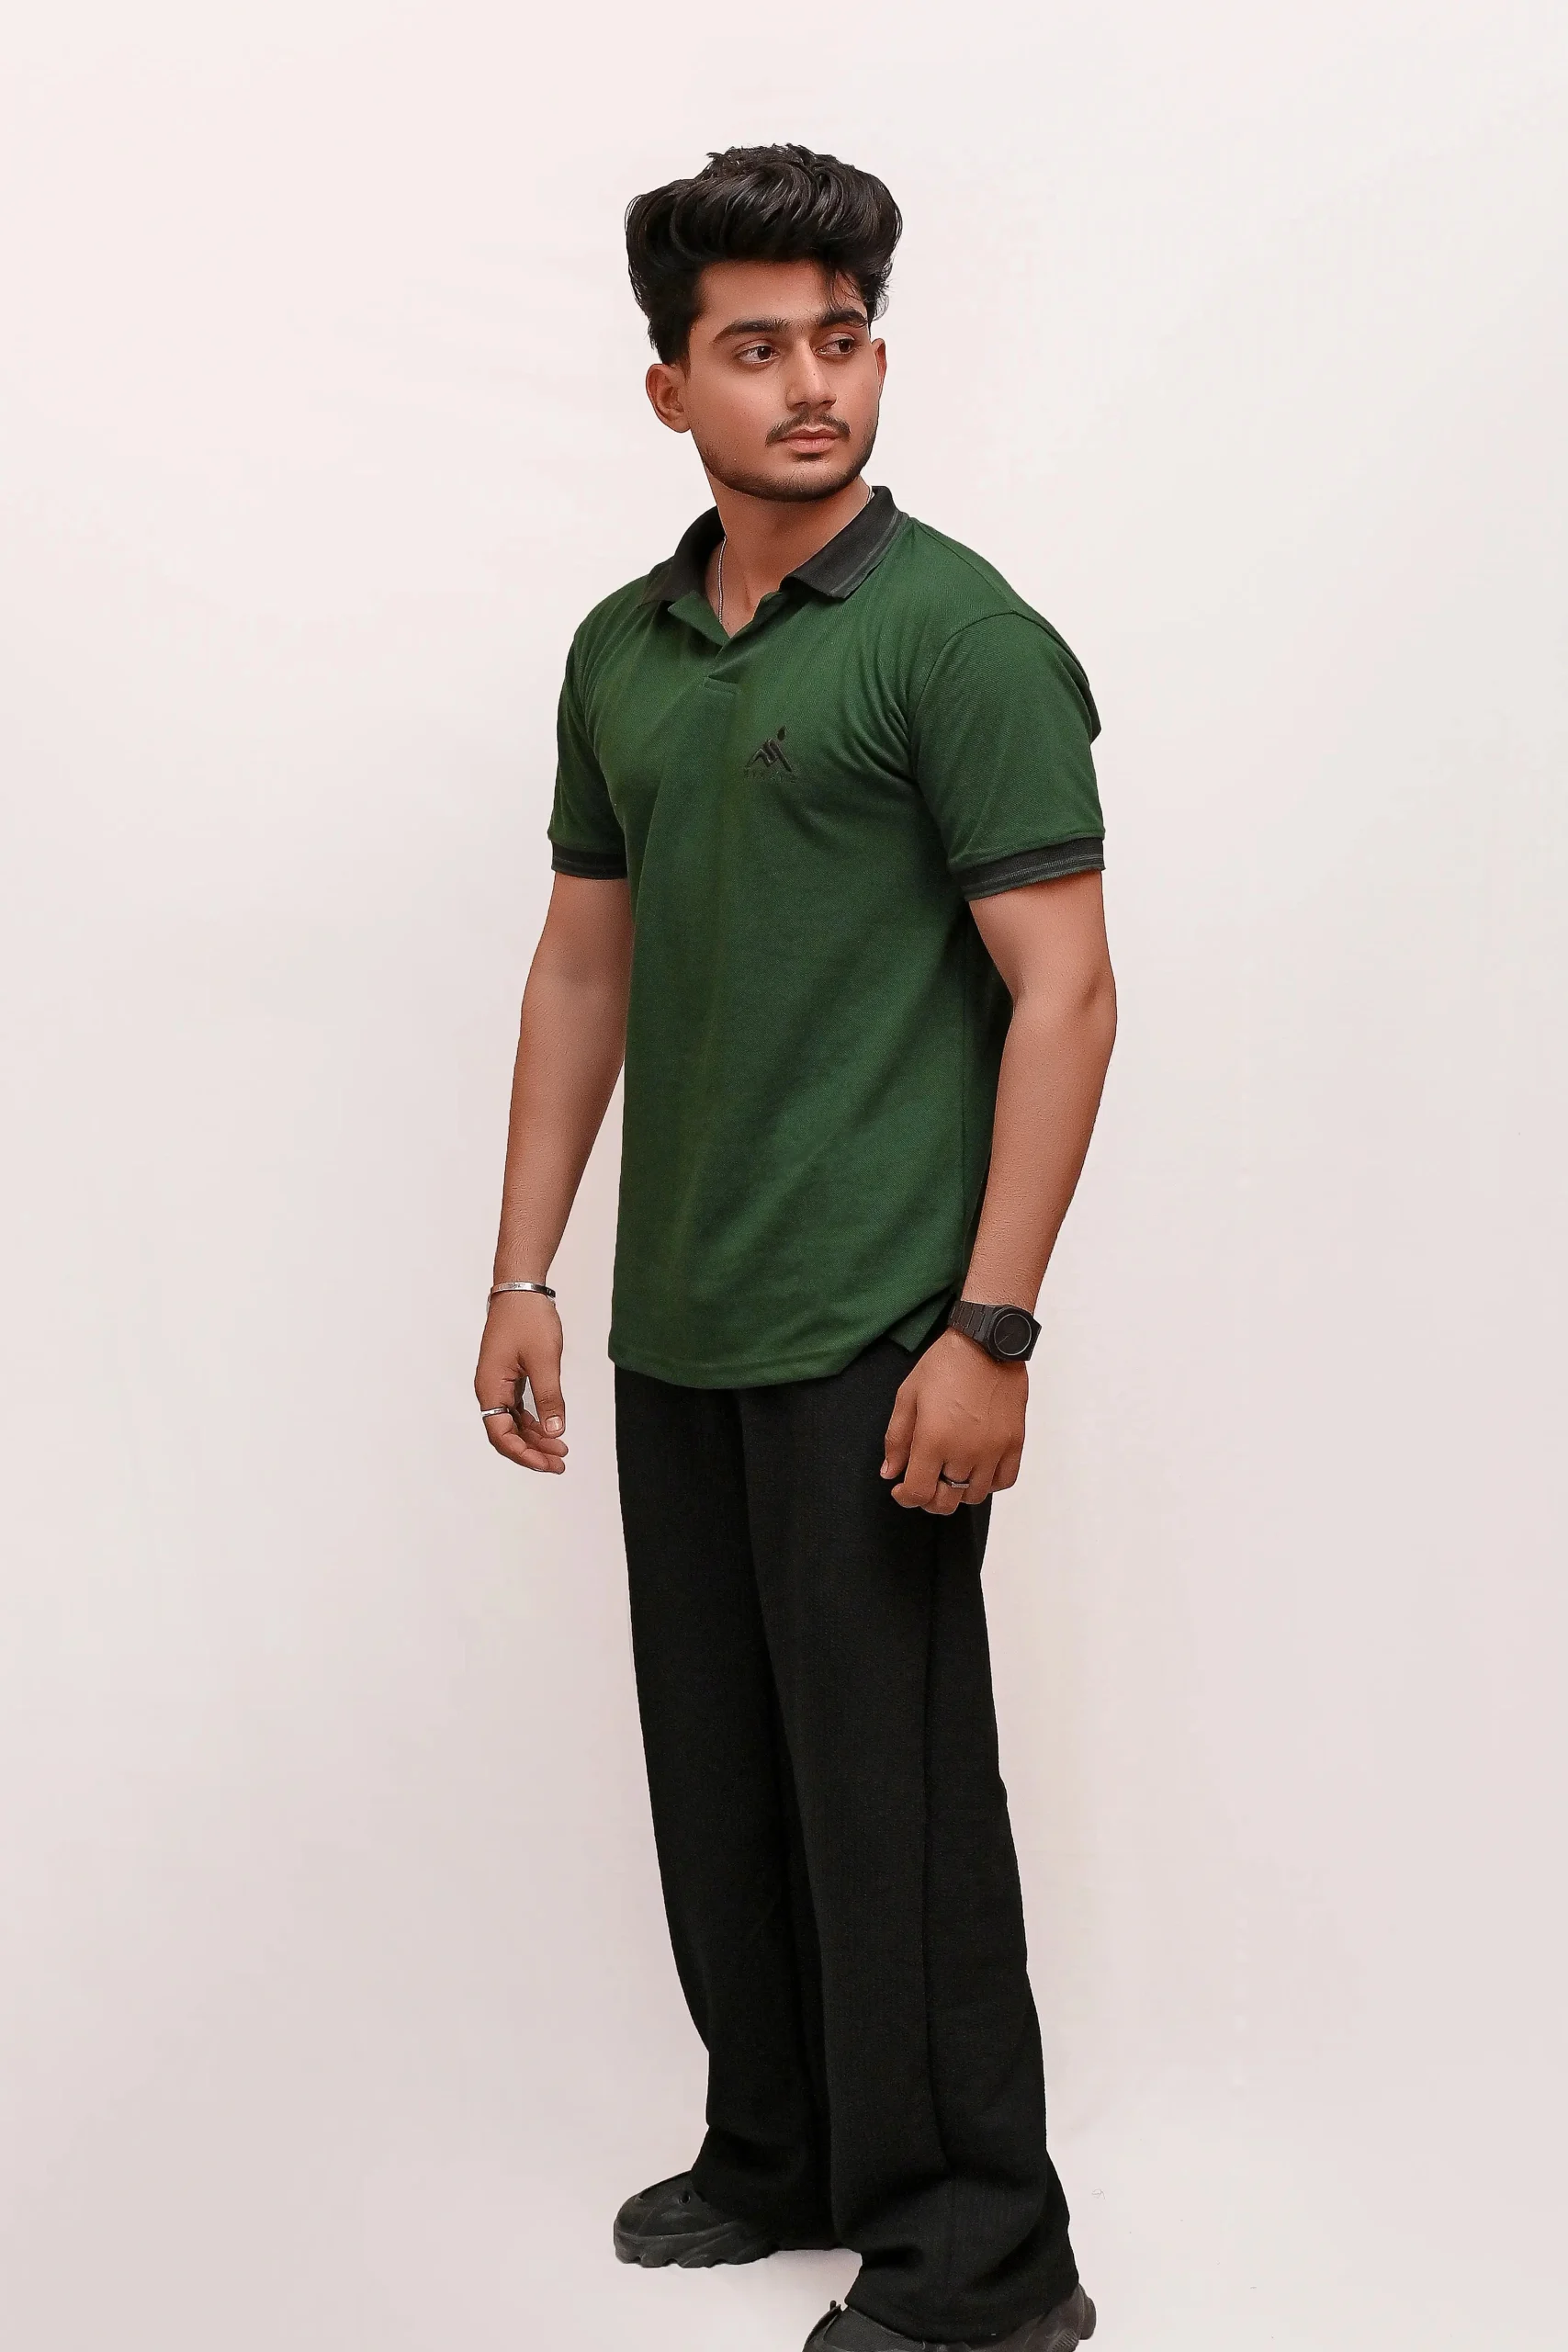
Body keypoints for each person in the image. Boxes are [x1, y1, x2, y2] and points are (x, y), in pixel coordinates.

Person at [475, 142, 1116, 2352]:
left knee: (891, 1800)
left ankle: (978, 2265)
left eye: (841, 339)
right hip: (682, 1314)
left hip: (879, 1318)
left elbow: (1065, 990)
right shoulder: (623, 651)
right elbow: (583, 963)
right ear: (671, 388)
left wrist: (991, 1323)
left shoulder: (958, 637)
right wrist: (524, 1268)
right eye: (756, 348)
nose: (812, 384)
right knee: (723, 1770)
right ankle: (780, 2145)